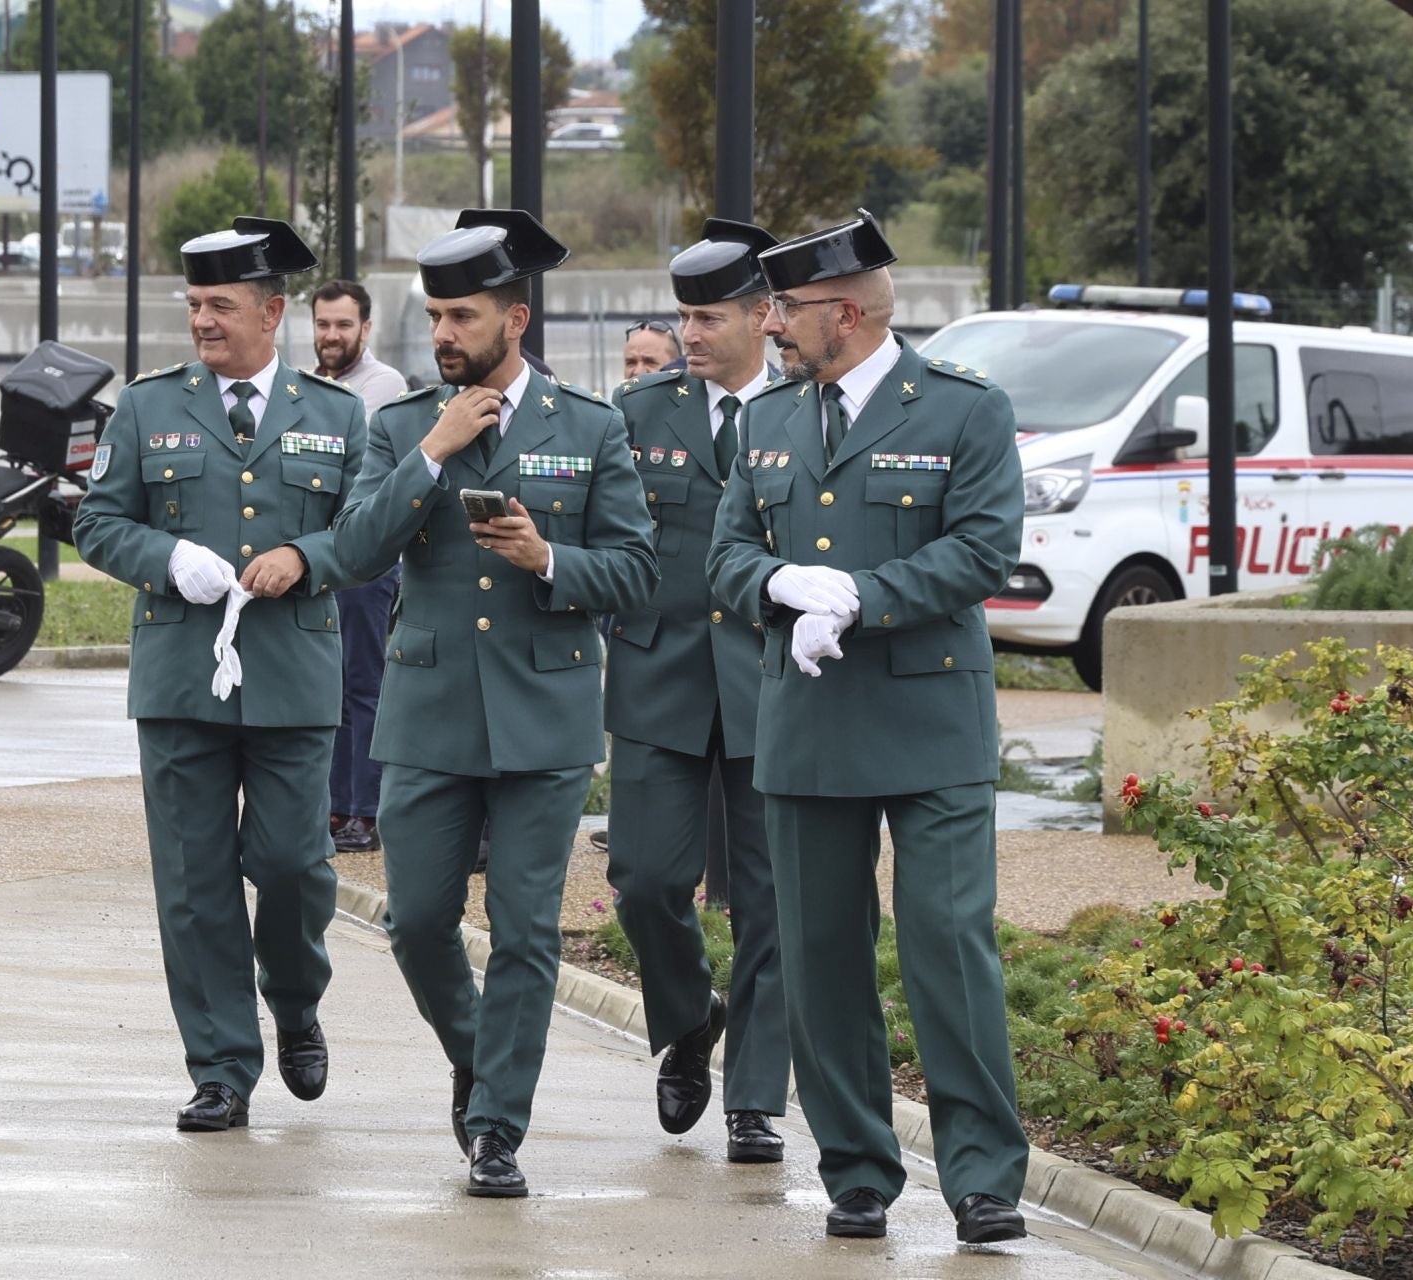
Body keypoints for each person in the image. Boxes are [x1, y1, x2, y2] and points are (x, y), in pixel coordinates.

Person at [707, 208, 1031, 1243]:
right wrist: (779, 583)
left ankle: (982, 1174)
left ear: (846, 312)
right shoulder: (764, 423)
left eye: (786, 308)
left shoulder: (962, 410)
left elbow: (984, 548)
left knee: (947, 941)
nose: (770, 325)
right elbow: (724, 559)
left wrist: (859, 594)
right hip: (806, 721)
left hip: (929, 713)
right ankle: (855, 1166)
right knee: (821, 954)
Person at [332, 209, 657, 1198]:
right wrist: (431, 451)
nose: (443, 334)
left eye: (462, 316)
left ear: (515, 317)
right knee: (418, 921)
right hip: (429, 714)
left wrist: (549, 557)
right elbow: (350, 551)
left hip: (543, 716)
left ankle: (497, 1128)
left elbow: (639, 573)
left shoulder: (592, 426)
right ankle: (478, 1059)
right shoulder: (397, 425)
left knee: (525, 930)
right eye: (433, 315)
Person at [74, 217, 367, 1132]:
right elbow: (97, 523)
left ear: (273, 311)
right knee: (196, 883)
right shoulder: (148, 407)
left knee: (292, 868)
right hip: (179, 677)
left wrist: (304, 556)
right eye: (194, 305)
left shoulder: (337, 413)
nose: (203, 322)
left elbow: (365, 533)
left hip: (292, 674)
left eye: (222, 306)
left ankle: (295, 997)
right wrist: (167, 558)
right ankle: (221, 1068)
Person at [605, 219, 788, 1165]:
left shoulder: (807, 415)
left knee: (769, 901)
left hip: (774, 687)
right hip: (658, 679)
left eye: (709, 316)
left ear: (764, 315)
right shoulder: (639, 417)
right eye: (682, 317)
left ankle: (755, 1098)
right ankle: (687, 1020)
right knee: (642, 882)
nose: (691, 335)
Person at [310, 279, 408, 855]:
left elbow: (345, 462)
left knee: (363, 684)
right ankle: (334, 806)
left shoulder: (382, 385)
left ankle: (365, 812)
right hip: (324, 556)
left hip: (366, 561)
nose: (331, 335)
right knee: (330, 685)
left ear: (364, 329)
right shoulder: (313, 385)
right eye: (323, 324)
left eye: (343, 325)